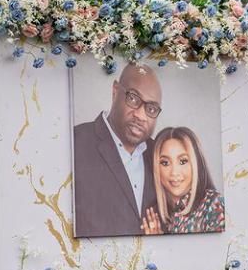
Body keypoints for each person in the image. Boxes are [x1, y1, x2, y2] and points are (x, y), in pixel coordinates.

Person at [73, 63, 161, 237]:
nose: (140, 116)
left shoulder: (160, 155)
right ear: (115, 91)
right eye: (133, 98)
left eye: (151, 109)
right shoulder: (75, 141)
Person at [141, 127, 225, 235]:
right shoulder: (153, 215)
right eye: (165, 163)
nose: (174, 172)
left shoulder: (214, 205)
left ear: (196, 164)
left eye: (183, 161)